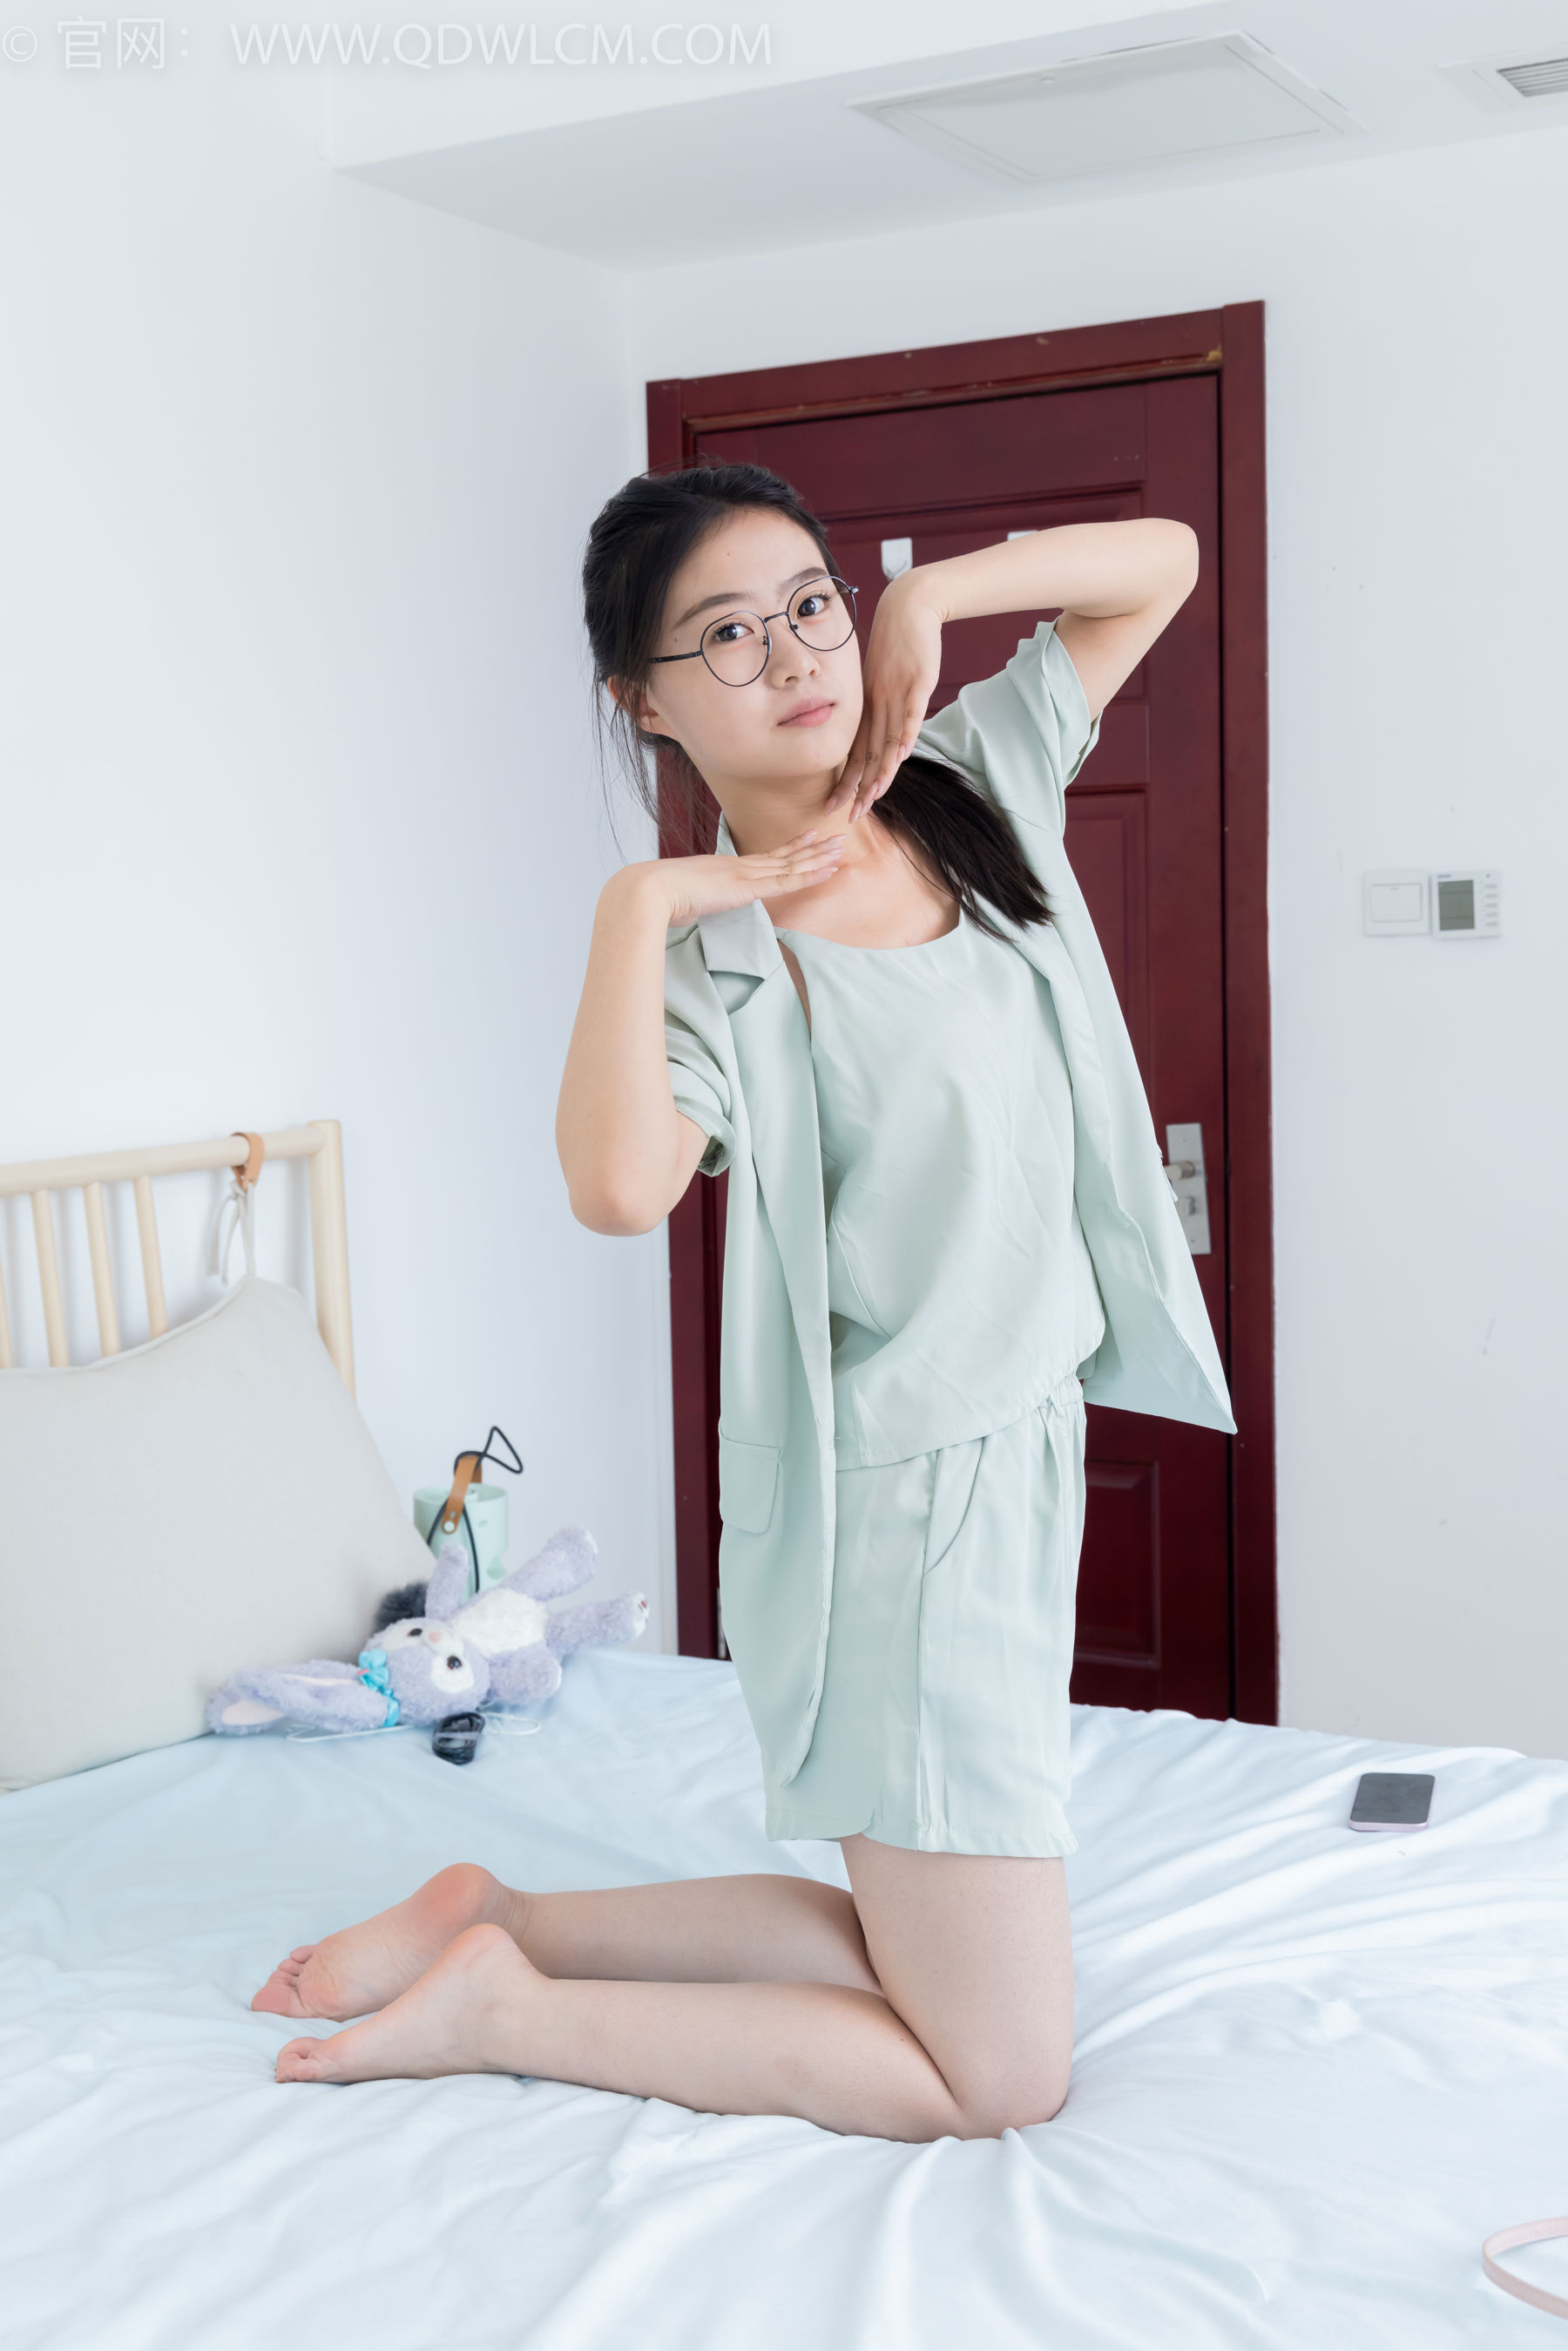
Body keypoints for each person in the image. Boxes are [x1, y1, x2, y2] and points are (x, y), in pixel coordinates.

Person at [254, 462, 1233, 2139]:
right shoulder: (713, 964)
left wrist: (934, 593)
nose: (791, 654)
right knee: (997, 2075)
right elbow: (616, 1187)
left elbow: (1165, 559)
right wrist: (638, 905)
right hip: (907, 1511)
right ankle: (509, 2004)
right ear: (643, 702)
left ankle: (503, 1919)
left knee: (920, 1956)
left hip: (1026, 1464)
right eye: (724, 634)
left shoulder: (963, 782)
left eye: (808, 604)